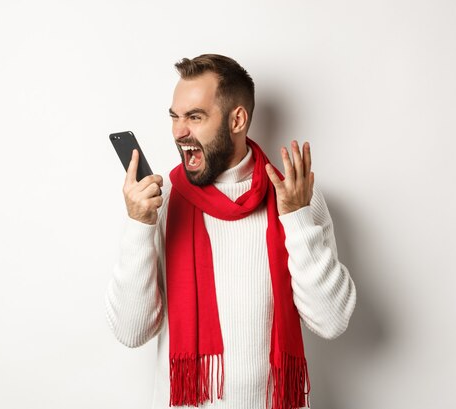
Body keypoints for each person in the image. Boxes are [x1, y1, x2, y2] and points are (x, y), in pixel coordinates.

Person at [105, 54, 356, 409]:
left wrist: (297, 219)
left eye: (195, 116)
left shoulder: (295, 195)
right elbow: (131, 332)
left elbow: (331, 321)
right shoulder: (157, 203)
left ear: (237, 119)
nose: (179, 131)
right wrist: (138, 225)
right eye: (175, 117)